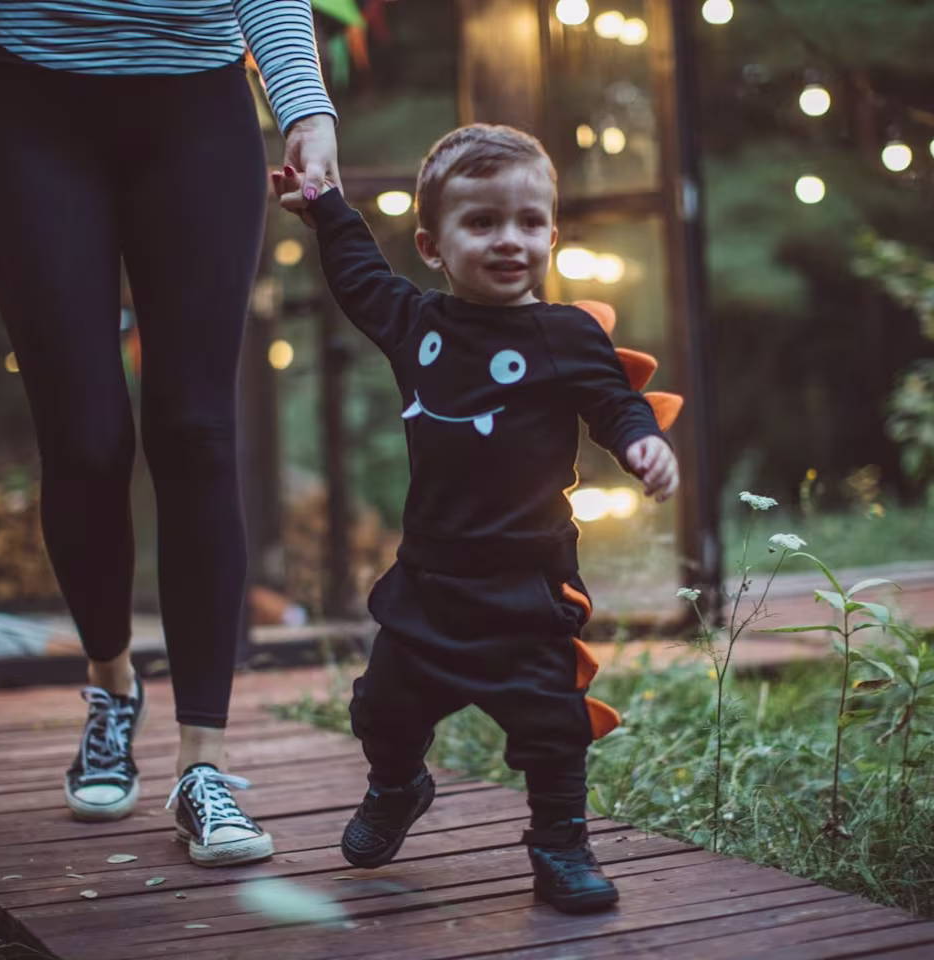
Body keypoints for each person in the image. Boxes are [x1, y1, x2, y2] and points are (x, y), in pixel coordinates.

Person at [0, 0, 341, 868]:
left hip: (199, 107)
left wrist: (304, 105)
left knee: (197, 429)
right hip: (33, 110)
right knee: (83, 439)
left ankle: (205, 765)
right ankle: (111, 681)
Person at [273, 124, 679, 912]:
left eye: (529, 222)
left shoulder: (567, 335)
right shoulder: (417, 325)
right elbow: (359, 276)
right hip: (430, 586)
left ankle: (561, 846)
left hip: (526, 587)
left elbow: (613, 403)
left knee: (553, 725)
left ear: (553, 235)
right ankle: (398, 785)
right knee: (380, 709)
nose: (510, 241)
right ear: (433, 244)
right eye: (481, 222)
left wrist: (640, 443)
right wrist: (324, 210)